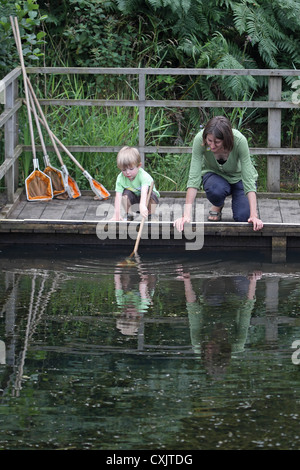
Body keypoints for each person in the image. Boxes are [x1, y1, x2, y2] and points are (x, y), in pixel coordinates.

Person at [174, 116, 263, 232]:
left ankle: (242, 206)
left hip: (239, 179)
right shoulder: (199, 140)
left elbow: (248, 178)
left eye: (217, 142)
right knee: (215, 189)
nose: (211, 146)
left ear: (226, 139)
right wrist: (186, 215)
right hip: (215, 177)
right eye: (209, 141)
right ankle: (218, 204)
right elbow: (194, 178)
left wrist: (254, 215)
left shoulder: (239, 141)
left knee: (243, 218)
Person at [110, 146, 159, 221]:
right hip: (134, 201)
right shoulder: (120, 178)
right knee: (125, 195)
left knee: (151, 194)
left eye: (131, 169)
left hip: (147, 199)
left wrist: (142, 206)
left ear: (139, 166)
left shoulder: (143, 176)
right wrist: (116, 214)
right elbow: (118, 196)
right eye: (124, 170)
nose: (127, 172)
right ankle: (129, 215)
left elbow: (144, 191)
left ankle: (150, 215)